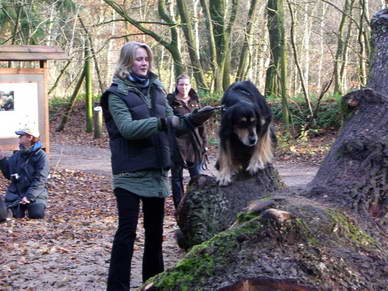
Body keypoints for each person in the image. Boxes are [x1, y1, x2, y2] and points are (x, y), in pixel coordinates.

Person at [100, 41, 214, 290]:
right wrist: (164, 122)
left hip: (157, 170)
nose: (144, 63)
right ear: (127, 61)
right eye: (139, 59)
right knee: (126, 232)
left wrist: (194, 119)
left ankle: (153, 284)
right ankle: (117, 287)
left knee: (155, 234)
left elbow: (175, 124)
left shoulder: (158, 89)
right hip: (129, 172)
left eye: (146, 59)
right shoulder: (116, 94)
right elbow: (128, 129)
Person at [167, 74, 207, 209]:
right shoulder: (170, 102)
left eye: (186, 84)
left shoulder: (195, 102)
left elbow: (201, 125)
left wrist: (204, 144)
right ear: (177, 86)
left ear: (190, 85)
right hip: (176, 145)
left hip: (194, 145)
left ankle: (196, 206)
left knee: (196, 177)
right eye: (181, 84)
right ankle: (180, 207)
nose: (184, 87)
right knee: (177, 179)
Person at [0, 127, 49, 219]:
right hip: (16, 193)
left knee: (36, 214)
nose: (19, 138)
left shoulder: (42, 156)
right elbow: (8, 174)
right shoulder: (17, 155)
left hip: (36, 194)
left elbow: (40, 180)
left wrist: (28, 197)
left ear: (30, 137)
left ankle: (33, 205)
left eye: (21, 135)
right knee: (13, 215)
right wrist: (2, 159)